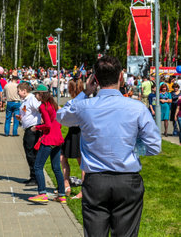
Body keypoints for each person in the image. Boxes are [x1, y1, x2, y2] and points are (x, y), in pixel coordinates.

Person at [57, 56, 161, 237]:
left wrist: (84, 92)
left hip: (96, 180)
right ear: (121, 77)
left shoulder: (85, 106)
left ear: (94, 80)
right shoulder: (136, 108)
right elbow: (154, 146)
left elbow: (61, 116)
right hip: (127, 179)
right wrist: (131, 147)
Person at [27, 84, 65, 204]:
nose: (35, 96)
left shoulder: (43, 106)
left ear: (41, 94)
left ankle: (42, 193)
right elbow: (57, 122)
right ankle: (62, 195)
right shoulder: (53, 104)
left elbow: (47, 124)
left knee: (38, 167)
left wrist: (37, 127)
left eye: (36, 94)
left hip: (49, 139)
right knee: (56, 168)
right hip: (57, 138)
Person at [60, 77, 84, 199]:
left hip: (79, 132)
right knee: (62, 157)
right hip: (72, 132)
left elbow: (64, 118)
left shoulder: (78, 102)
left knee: (82, 162)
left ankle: (83, 191)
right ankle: (66, 184)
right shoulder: (75, 101)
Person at [15, 82, 41, 186]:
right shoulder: (25, 100)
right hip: (28, 128)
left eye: (19, 91)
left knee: (31, 153)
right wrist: (21, 118)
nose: (18, 93)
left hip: (32, 129)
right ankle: (32, 176)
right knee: (29, 152)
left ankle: (35, 177)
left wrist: (40, 121)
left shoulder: (31, 99)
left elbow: (40, 109)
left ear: (24, 91)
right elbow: (27, 112)